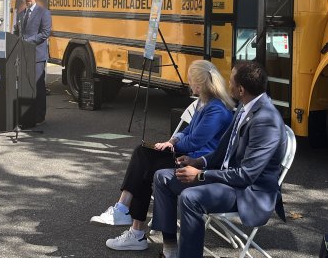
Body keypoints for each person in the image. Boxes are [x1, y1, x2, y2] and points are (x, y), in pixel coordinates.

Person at [90, 59, 234, 252]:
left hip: (199, 163)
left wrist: (172, 144)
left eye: (190, 79)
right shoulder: (205, 102)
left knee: (145, 161)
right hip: (189, 155)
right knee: (143, 158)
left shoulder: (216, 108)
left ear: (199, 84)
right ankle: (128, 219)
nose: (189, 83)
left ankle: (132, 223)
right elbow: (188, 130)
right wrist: (172, 142)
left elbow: (195, 141)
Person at [151, 61, 287, 258]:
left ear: (240, 90)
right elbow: (223, 149)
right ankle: (171, 249)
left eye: (231, 81)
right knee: (162, 177)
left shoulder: (266, 121)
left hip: (248, 191)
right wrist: (199, 162)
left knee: (191, 198)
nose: (226, 83)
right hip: (226, 179)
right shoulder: (245, 105)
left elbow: (246, 175)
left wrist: (200, 176)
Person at [13, 0, 52, 125]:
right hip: (23, 55)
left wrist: (27, 41)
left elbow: (45, 33)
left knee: (38, 86)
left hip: (37, 56)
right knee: (26, 86)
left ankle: (40, 116)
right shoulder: (20, 13)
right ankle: (27, 114)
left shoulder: (44, 13)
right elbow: (16, 31)